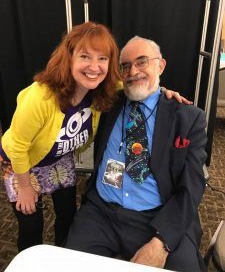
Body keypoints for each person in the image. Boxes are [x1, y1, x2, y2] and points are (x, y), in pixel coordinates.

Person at [0, 22, 187, 252]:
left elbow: (139, 84)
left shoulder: (101, 90)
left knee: (68, 215)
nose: (94, 67)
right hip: (21, 163)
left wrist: (163, 93)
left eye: (103, 59)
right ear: (69, 58)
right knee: (31, 223)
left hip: (59, 157)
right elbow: (17, 145)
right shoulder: (42, 96)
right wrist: (25, 186)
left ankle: (63, 257)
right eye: (85, 56)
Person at [64, 36, 208, 272]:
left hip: (156, 218)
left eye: (142, 62)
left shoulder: (188, 118)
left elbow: (191, 189)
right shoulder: (107, 101)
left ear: (160, 65)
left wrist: (162, 242)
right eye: (126, 66)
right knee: (67, 265)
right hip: (101, 212)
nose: (133, 71)